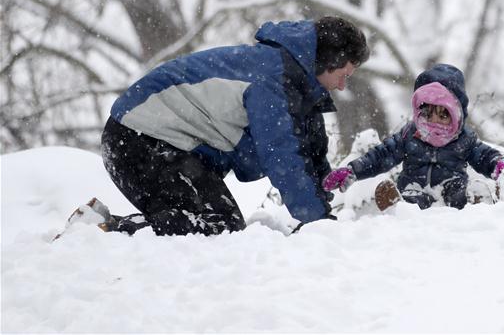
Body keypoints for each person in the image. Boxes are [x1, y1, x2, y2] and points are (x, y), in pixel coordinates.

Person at [63, 16, 369, 236]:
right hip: (138, 140)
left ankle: (101, 225)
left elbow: (307, 148)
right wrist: (317, 222)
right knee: (215, 228)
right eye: (344, 74)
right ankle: (102, 234)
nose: (343, 86)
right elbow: (282, 156)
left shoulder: (296, 82)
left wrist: (323, 194)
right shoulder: (273, 78)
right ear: (329, 60)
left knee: (219, 224)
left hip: (171, 147)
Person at [322, 63, 504, 211]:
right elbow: (381, 156)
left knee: (458, 192)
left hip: (451, 194)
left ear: (456, 116)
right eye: (428, 114)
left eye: (443, 115)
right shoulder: (409, 136)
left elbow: (484, 155)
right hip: (413, 189)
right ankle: (397, 206)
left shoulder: (464, 139)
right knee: (411, 194)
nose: (434, 121)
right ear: (419, 112)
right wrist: (352, 171)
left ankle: (477, 199)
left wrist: (499, 164)